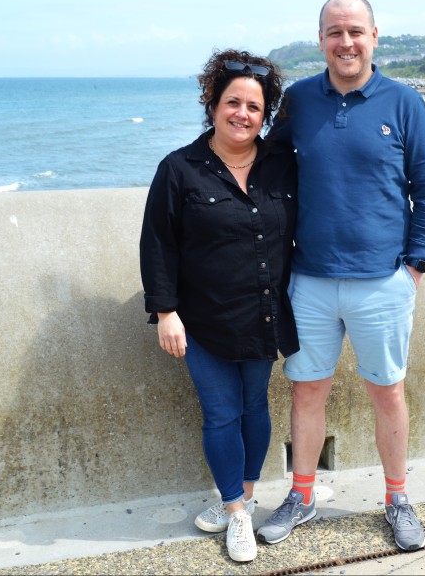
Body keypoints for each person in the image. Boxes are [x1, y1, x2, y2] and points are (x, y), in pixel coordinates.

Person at [256, 0, 425, 552]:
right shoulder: (298, 101)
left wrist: (413, 266)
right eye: (335, 32)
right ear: (320, 41)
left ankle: (397, 499)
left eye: (356, 31)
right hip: (310, 280)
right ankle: (302, 496)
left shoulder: (405, 103)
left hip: (383, 281)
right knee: (306, 391)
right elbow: (263, 168)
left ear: (374, 37)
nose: (346, 42)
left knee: (388, 393)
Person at [139, 49, 297, 563]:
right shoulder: (179, 168)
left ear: (265, 115)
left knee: (255, 407)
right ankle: (235, 511)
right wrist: (166, 312)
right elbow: (158, 243)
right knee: (221, 413)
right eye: (233, 102)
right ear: (213, 104)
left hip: (264, 314)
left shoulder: (282, 165)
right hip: (203, 319)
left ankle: (242, 499)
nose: (242, 114)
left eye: (254, 107)